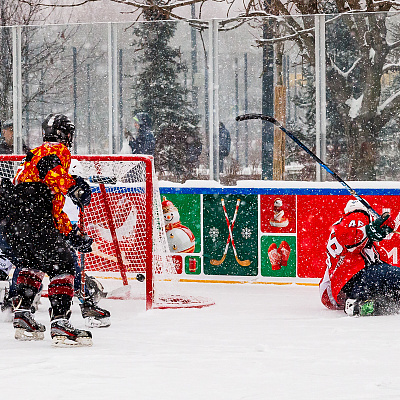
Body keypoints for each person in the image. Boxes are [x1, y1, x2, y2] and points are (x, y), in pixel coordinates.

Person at [2, 113, 94, 346]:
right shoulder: (55, 151)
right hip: (33, 220)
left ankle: (22, 315)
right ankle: (61, 322)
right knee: (64, 265)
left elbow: (46, 204)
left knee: (32, 263)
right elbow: (50, 170)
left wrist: (70, 233)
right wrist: (75, 187)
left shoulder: (32, 155)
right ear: (64, 133)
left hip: (17, 223)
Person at [319, 199, 400, 316]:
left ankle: (359, 304)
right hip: (357, 278)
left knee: (389, 299)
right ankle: (357, 301)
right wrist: (369, 229)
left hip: (346, 286)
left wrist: (375, 229)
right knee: (393, 280)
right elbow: (351, 241)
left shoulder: (341, 226)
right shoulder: (357, 215)